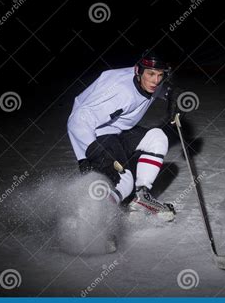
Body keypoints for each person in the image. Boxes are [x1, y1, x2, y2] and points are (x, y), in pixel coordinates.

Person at [67, 49, 180, 221]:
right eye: (151, 74)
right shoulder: (119, 92)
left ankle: (141, 197)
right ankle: (97, 220)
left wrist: (172, 94)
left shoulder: (145, 80)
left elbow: (162, 88)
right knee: (124, 181)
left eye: (160, 75)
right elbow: (77, 120)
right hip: (97, 135)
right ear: (138, 71)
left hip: (119, 131)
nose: (156, 81)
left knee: (157, 137)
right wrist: (91, 154)